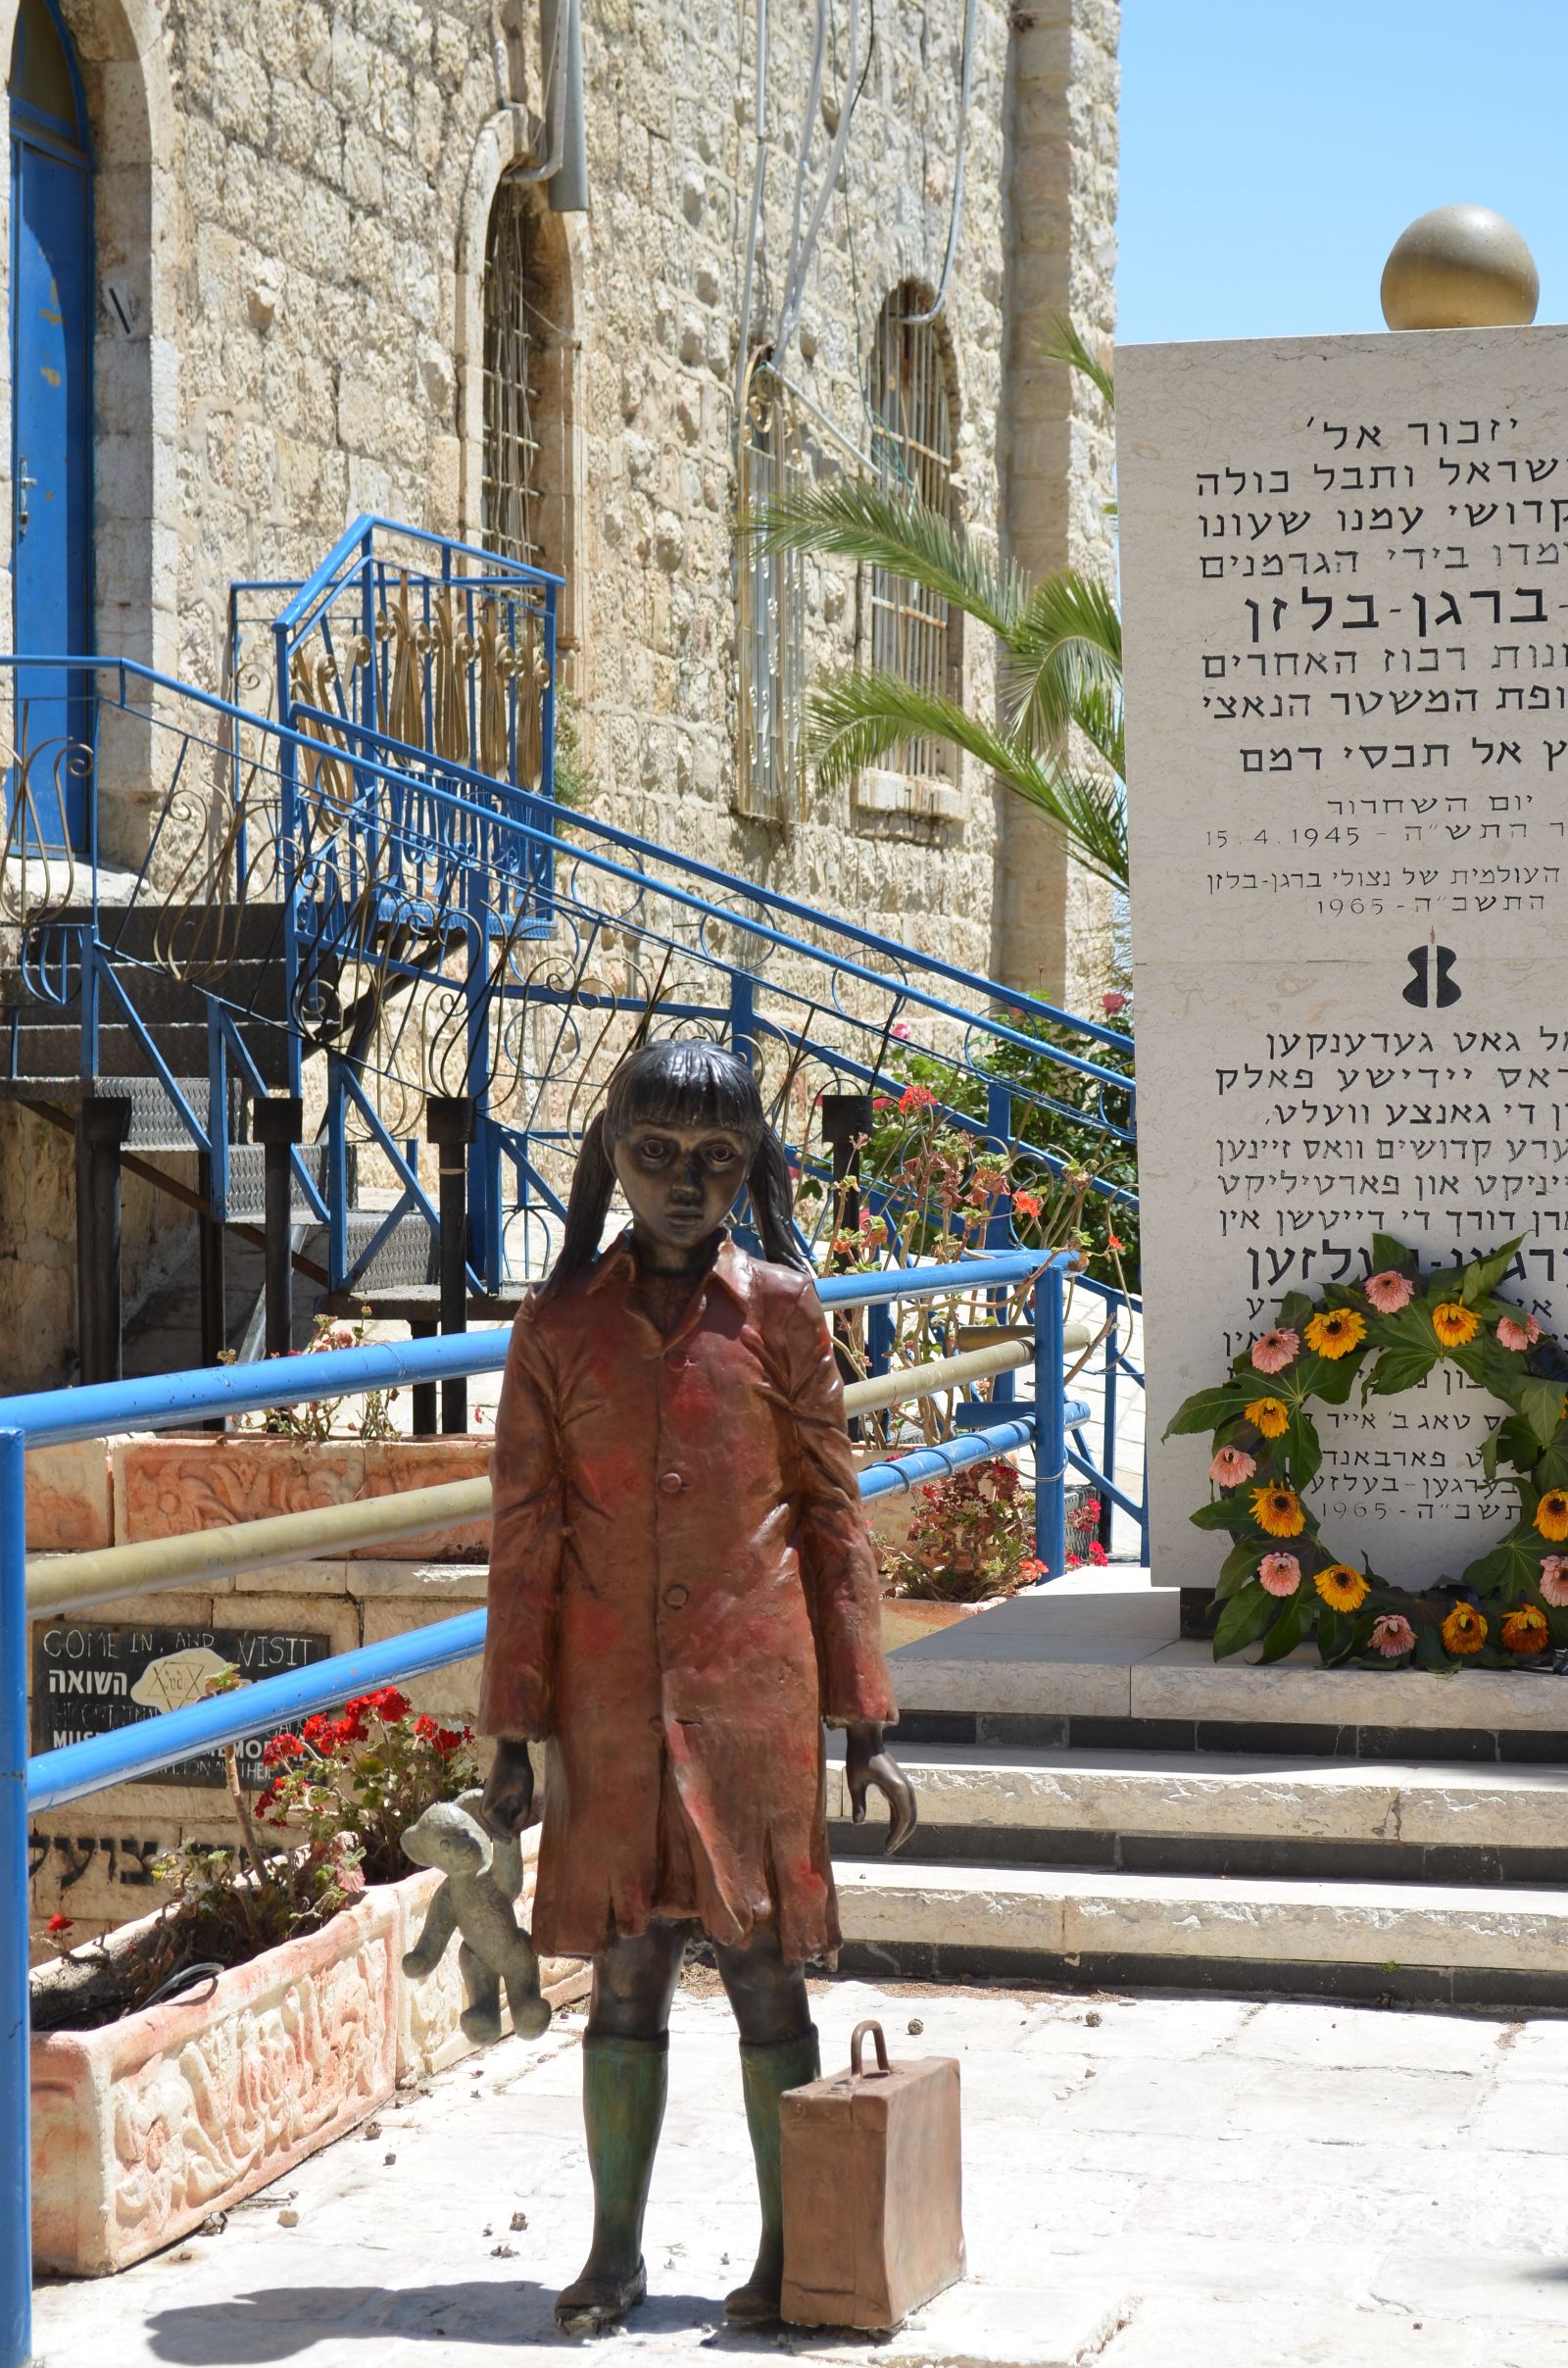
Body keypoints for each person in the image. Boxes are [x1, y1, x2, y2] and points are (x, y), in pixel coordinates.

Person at [478, 1035, 915, 2335]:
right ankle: (615, 2253)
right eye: (656, 1155)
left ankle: (791, 2254)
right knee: (622, 1976)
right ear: (611, 1155)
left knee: (767, 1975)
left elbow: (836, 1518)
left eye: (716, 1161)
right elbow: (523, 1535)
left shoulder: (782, 1310)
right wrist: (511, 1730)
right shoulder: (555, 1328)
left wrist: (864, 1719)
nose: (683, 1184)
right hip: (608, 1704)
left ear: (750, 1171)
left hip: (755, 1699)